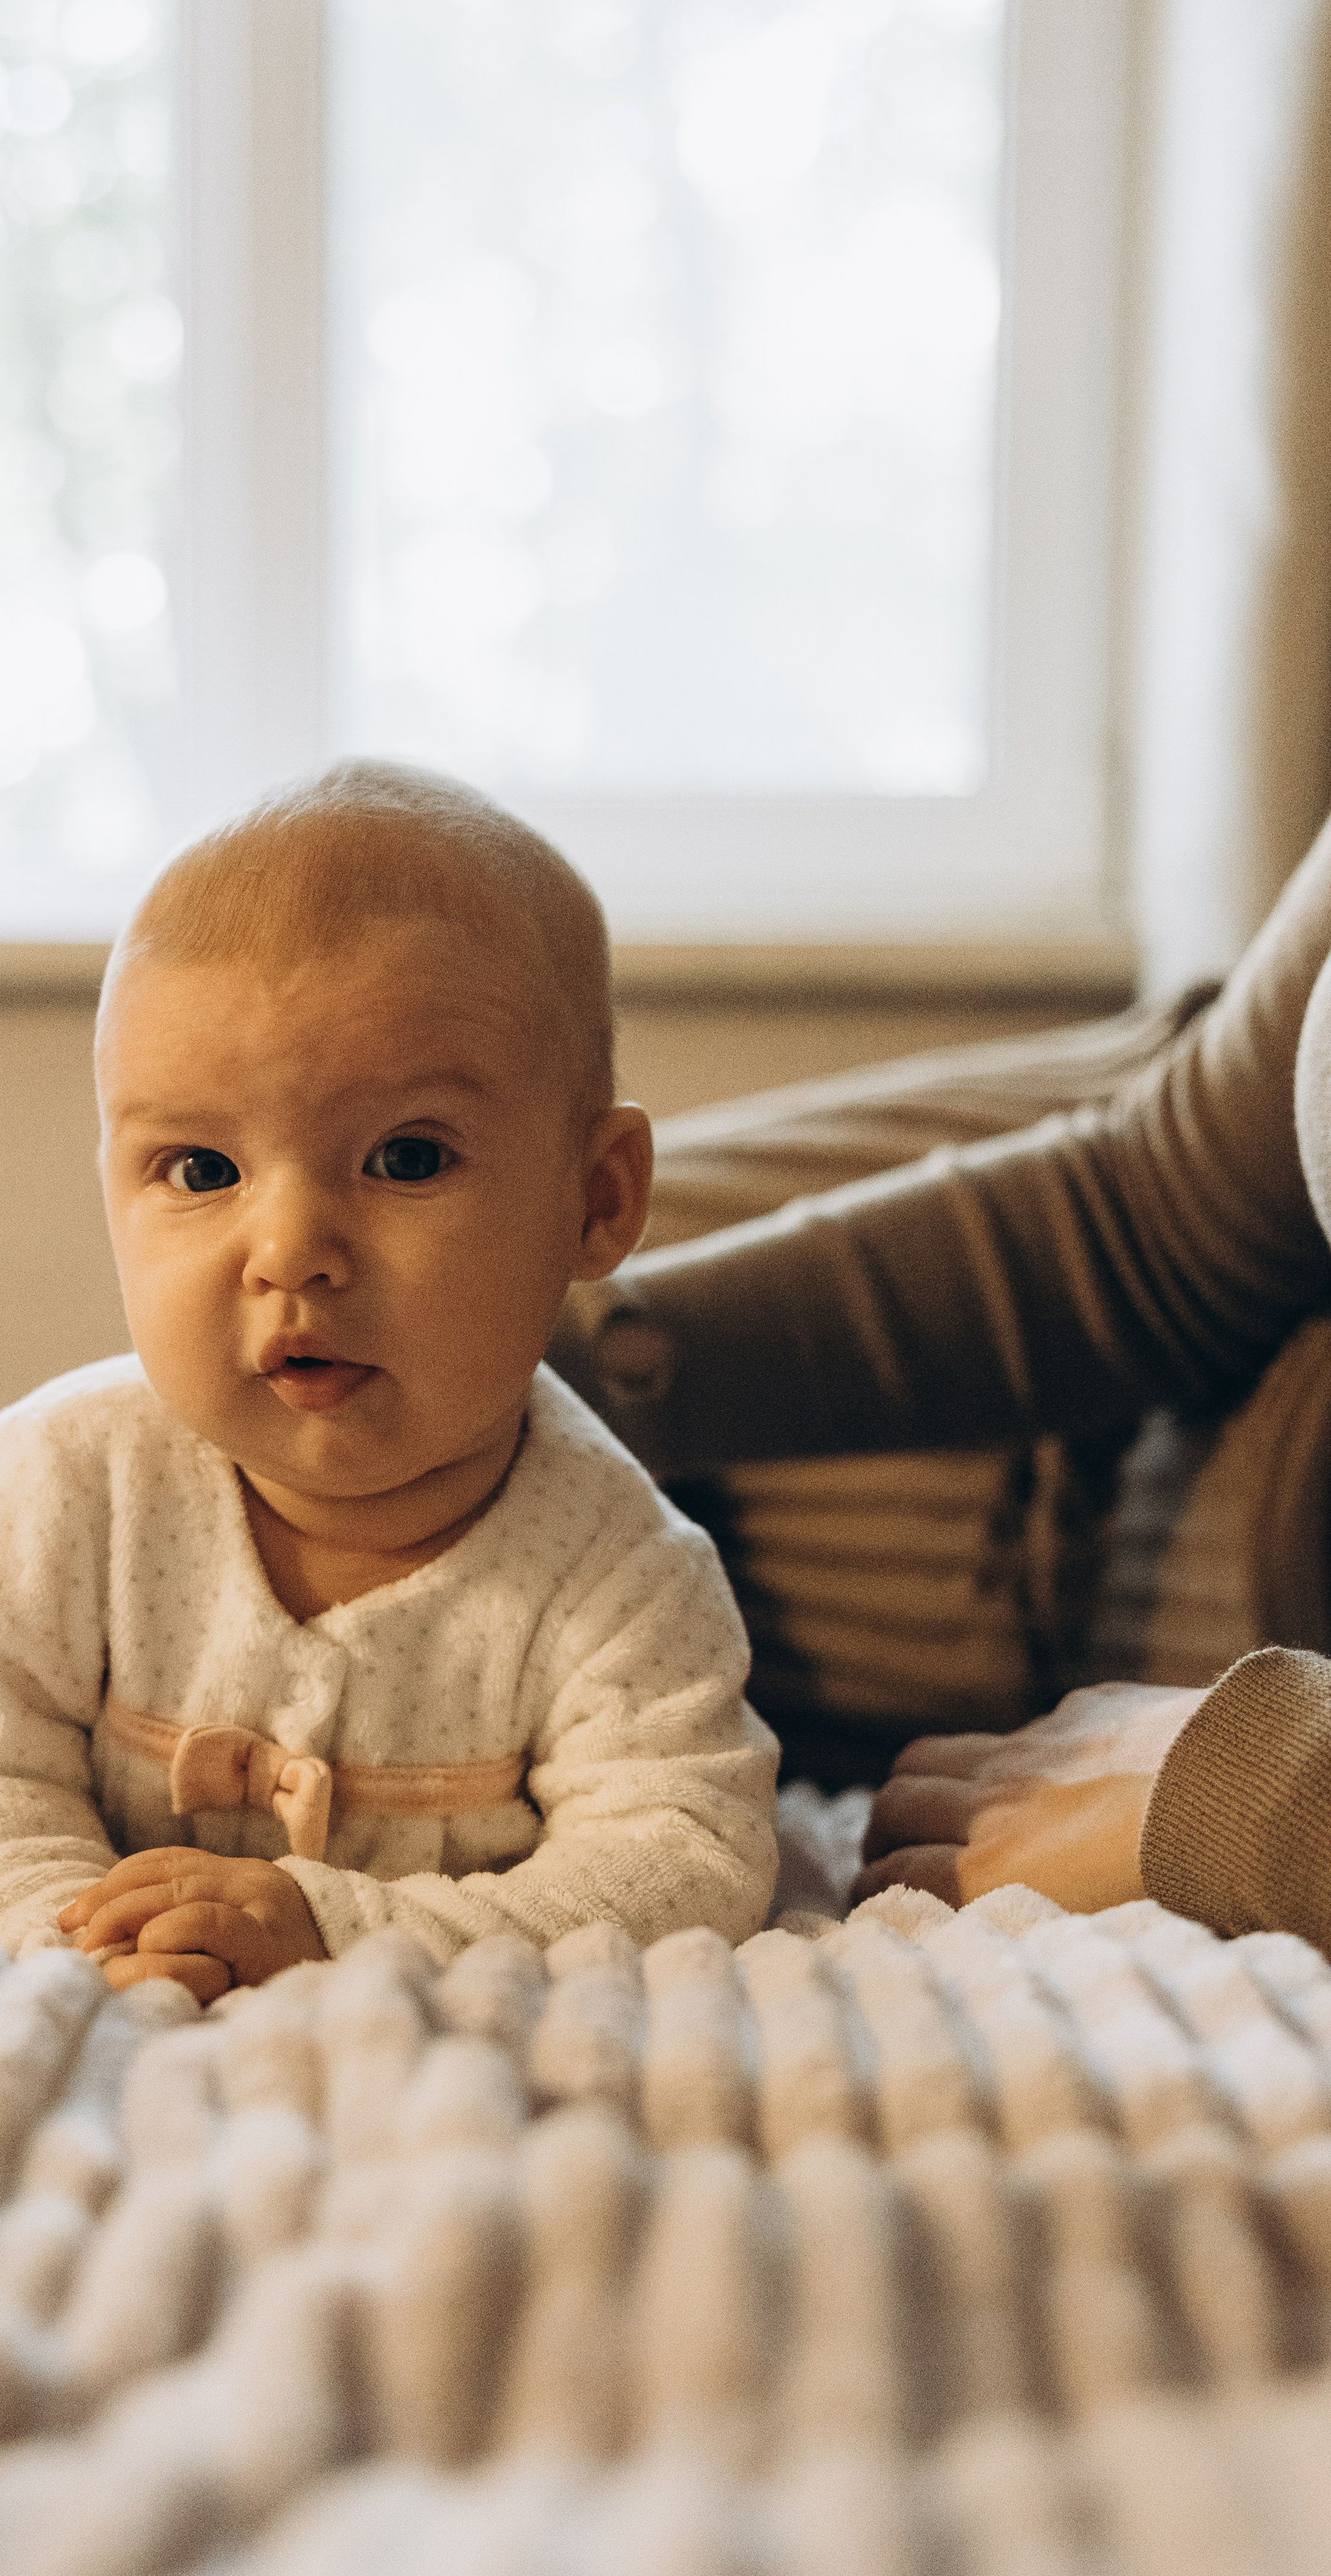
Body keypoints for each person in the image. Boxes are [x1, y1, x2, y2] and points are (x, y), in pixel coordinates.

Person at [0, 761, 779, 2003]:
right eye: (197, 1170)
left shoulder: (618, 1570)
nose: (287, 1251)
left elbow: (685, 1860)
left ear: (596, 1201)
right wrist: (74, 1944)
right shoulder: (71, 1477)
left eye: (404, 1157)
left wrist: (334, 1929)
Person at [551, 814, 1331, 1954]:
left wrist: (1273, 1793)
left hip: (1151, 1692)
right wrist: (545, 1377)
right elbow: (1152, 1222)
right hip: (1105, 1260)